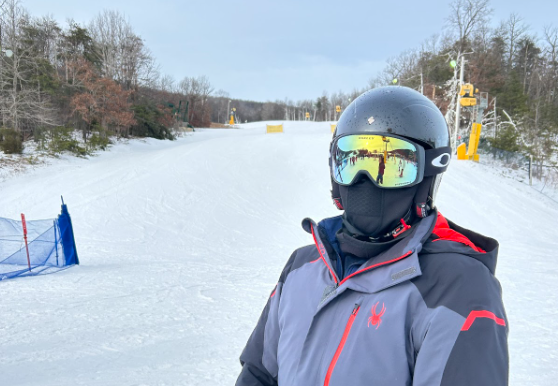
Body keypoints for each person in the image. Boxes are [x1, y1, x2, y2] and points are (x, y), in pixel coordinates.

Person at [235, 87, 508, 386]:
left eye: (391, 165)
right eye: (351, 160)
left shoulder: (457, 286)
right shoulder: (303, 265)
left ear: (426, 178)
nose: (364, 180)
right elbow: (258, 373)